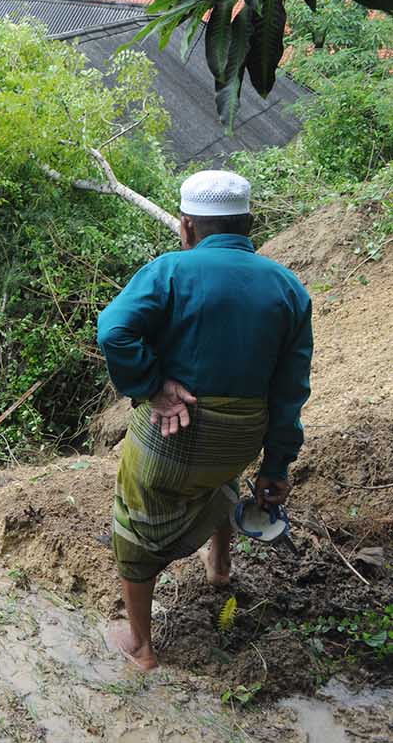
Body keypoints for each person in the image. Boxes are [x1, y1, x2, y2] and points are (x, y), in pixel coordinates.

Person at [95, 169, 312, 670]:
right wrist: (276, 465)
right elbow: (290, 390)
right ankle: (219, 566)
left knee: (135, 516)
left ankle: (142, 647)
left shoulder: (171, 271)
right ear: (249, 223)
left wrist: (154, 387)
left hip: (178, 435)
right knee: (223, 479)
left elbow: (114, 331)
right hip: (240, 442)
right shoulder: (288, 288)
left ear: (187, 227)